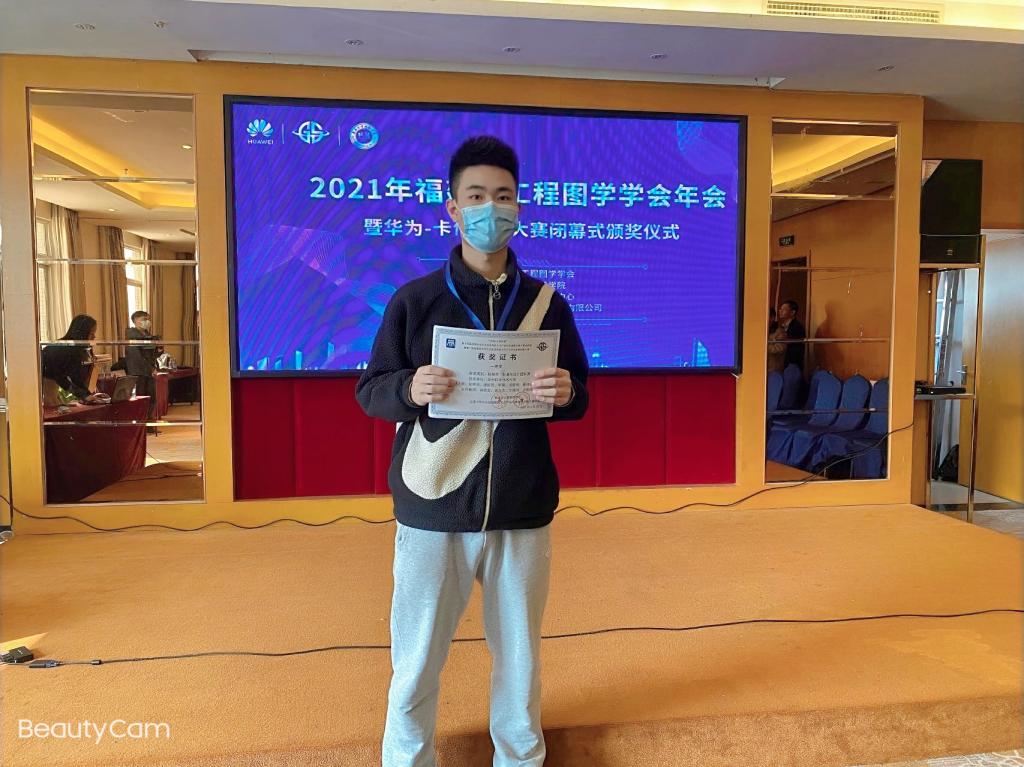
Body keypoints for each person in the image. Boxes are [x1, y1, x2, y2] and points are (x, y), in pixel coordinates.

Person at [355, 135, 589, 767]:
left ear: (519, 206)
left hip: (521, 504)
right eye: (478, 196)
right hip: (434, 504)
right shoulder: (415, 300)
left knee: (521, 656)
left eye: (504, 196)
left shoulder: (547, 304)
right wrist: (410, 388)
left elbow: (579, 395)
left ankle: (520, 758)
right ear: (453, 207)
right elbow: (371, 391)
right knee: (417, 657)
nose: (492, 209)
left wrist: (567, 392)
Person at [41, 314, 107, 404]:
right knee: (52, 403)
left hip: (51, 378)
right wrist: (84, 395)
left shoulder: (73, 348)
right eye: (91, 334)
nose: (94, 337)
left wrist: (86, 394)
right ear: (82, 333)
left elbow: (75, 377)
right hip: (44, 377)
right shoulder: (65, 349)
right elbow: (63, 378)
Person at [125, 310, 159, 417]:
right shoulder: (132, 335)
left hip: (149, 370)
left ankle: (149, 418)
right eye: (144, 319)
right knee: (141, 396)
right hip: (138, 371)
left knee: (151, 396)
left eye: (148, 319)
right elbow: (136, 356)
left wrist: (158, 349)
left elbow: (152, 353)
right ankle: (141, 420)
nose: (147, 321)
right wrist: (150, 369)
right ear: (135, 321)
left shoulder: (147, 334)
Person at [775, 299, 806, 372]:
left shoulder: (797, 327)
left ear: (792, 312)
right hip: (782, 365)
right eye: (780, 309)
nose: (780, 311)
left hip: (792, 365)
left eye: (784, 309)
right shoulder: (780, 327)